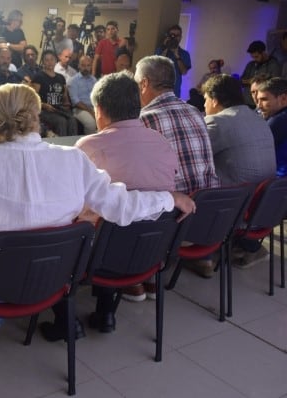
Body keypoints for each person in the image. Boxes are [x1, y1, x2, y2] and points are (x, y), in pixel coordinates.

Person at [0, 83, 195, 356]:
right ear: (37, 116)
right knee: (6, 253)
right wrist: (169, 198)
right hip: (52, 280)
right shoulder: (73, 159)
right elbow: (121, 206)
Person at [41, 72, 178, 338]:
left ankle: (66, 322)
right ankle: (106, 314)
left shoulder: (90, 146)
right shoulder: (162, 143)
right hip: (151, 252)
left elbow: (69, 202)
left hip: (101, 255)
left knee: (64, 227)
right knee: (113, 227)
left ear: (99, 110)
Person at [136, 55, 220, 278]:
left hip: (174, 216)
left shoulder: (144, 119)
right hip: (208, 212)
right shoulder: (195, 112)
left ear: (144, 83)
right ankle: (201, 257)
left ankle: (140, 272)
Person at [202, 74, 275, 186]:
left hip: (232, 198)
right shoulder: (260, 120)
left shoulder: (216, 122)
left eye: (206, 99)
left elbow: (194, 156)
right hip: (264, 196)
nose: (204, 105)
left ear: (214, 100)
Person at [32, 50, 79, 136]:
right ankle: (61, 147)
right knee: (61, 121)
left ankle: (73, 146)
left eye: (52, 59)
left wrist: (67, 104)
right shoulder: (38, 77)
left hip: (59, 108)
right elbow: (32, 97)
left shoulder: (60, 78)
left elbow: (65, 97)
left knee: (72, 120)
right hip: (44, 110)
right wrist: (43, 105)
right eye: (46, 60)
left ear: (56, 61)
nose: (49, 62)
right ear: (43, 62)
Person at [256, 77, 287, 178]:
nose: (259, 106)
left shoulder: (277, 121)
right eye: (258, 100)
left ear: (283, 99)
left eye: (264, 99)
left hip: (278, 183)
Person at [154, 24, 191, 98]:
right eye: (172, 35)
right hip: (159, 88)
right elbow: (155, 65)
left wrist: (177, 55)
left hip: (174, 91)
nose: (175, 37)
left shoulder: (184, 54)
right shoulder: (161, 50)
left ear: (181, 37)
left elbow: (184, 72)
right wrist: (165, 47)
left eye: (177, 35)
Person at [241, 41, 281, 107]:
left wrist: (257, 81)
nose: (254, 59)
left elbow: (275, 83)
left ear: (263, 53)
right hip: (248, 103)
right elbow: (241, 80)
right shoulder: (250, 65)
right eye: (253, 57)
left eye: (256, 57)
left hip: (263, 103)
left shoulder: (273, 65)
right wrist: (250, 81)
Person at [68, 55, 97, 134]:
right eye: (83, 65)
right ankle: (88, 144)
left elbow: (98, 97)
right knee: (91, 124)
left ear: (91, 66)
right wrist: (91, 111)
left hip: (93, 107)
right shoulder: (73, 81)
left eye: (88, 65)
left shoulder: (93, 80)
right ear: (79, 66)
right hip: (79, 109)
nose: (86, 68)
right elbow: (76, 102)